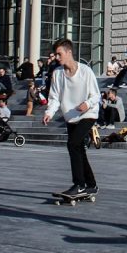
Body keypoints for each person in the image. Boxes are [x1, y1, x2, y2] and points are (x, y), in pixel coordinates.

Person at [43, 38, 102, 199]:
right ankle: (91, 185)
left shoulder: (85, 71)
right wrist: (49, 112)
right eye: (55, 54)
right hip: (71, 116)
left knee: (73, 144)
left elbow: (96, 95)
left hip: (88, 114)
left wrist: (87, 104)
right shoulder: (58, 74)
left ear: (69, 52)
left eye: (59, 53)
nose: (56, 57)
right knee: (79, 149)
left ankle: (79, 184)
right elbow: (55, 97)